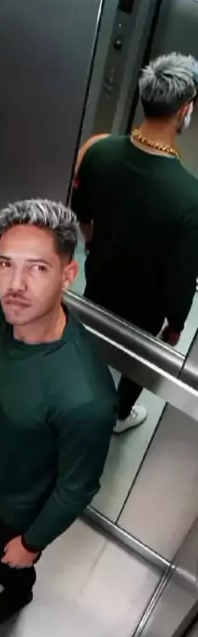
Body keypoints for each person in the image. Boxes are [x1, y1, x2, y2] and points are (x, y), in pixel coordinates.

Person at [0, 199, 117, 630]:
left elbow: (76, 488)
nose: (15, 284)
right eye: (6, 265)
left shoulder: (85, 395)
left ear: (68, 275)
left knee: (11, 562)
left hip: (25, 510)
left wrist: (31, 544)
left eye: (37, 268)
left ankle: (18, 591)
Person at [72, 52, 198, 433]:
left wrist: (94, 245)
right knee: (139, 360)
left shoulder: (98, 151)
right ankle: (120, 413)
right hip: (146, 305)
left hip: (100, 277)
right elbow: (181, 277)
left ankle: (76, 392)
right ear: (184, 110)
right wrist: (175, 325)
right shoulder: (190, 197)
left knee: (89, 338)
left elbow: (82, 215)